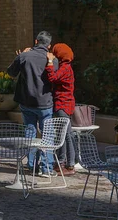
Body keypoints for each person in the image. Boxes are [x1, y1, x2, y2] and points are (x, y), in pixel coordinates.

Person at [7, 30, 55, 176]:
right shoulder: (51, 59)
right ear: (49, 45)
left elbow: (11, 73)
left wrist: (19, 58)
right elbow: (55, 78)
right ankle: (47, 168)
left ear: (35, 41)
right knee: (47, 135)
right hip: (45, 103)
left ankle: (31, 164)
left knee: (30, 132)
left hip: (26, 102)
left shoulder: (24, 56)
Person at [45, 43, 76, 176]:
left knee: (66, 135)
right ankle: (62, 162)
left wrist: (50, 62)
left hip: (63, 104)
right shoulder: (67, 67)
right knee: (63, 135)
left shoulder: (64, 68)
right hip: (65, 104)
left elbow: (52, 77)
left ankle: (70, 164)